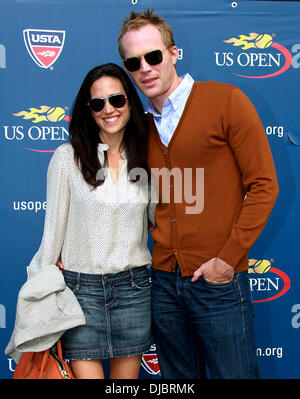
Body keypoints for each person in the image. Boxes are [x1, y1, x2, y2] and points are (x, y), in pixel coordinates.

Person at [118, 10, 279, 379]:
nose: (145, 67)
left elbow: (264, 184)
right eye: (133, 62)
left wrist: (228, 259)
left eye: (153, 56)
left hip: (218, 281)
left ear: (174, 54)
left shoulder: (226, 100)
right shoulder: (139, 128)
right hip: (162, 284)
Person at [20, 63, 156, 379]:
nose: (109, 109)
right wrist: (40, 294)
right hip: (80, 292)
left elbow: (157, 221)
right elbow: (51, 234)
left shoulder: (147, 159)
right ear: (89, 110)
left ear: (130, 103)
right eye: (98, 103)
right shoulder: (67, 158)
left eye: (117, 100)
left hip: (133, 288)